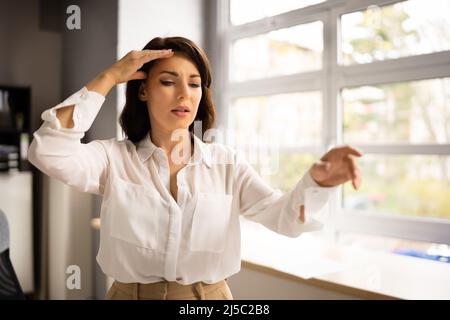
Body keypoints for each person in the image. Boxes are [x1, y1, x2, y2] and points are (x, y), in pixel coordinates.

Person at [28, 36, 362, 300]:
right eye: (169, 82)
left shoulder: (227, 165)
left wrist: (316, 183)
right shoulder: (112, 158)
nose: (184, 95)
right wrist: (109, 77)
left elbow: (285, 218)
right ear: (143, 89)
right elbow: (48, 151)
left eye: (194, 83)